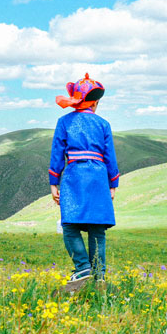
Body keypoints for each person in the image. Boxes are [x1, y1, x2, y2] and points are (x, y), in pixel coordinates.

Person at [48, 73, 119, 282]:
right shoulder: (103, 124)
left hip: (74, 175)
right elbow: (110, 157)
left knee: (70, 225)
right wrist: (112, 184)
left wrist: (54, 183)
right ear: (95, 103)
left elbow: (57, 153)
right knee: (97, 228)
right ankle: (99, 275)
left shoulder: (64, 122)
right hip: (98, 176)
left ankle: (82, 269)